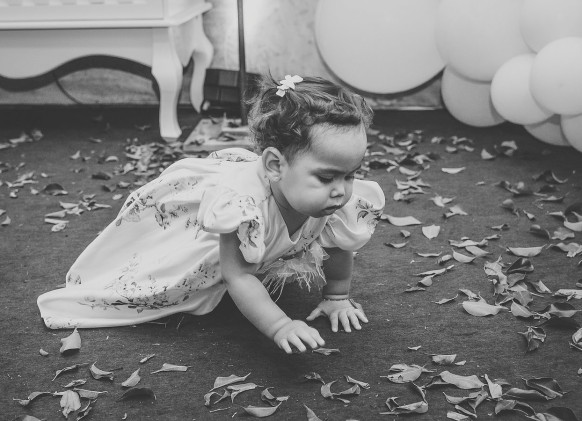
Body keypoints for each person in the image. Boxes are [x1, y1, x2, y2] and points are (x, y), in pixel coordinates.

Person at [37, 74, 385, 354]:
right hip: (199, 233)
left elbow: (339, 247)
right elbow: (239, 277)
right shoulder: (244, 207)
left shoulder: (331, 198)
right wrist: (280, 325)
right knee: (159, 280)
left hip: (268, 207)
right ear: (276, 165)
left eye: (350, 174)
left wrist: (337, 297)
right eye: (326, 177)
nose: (341, 190)